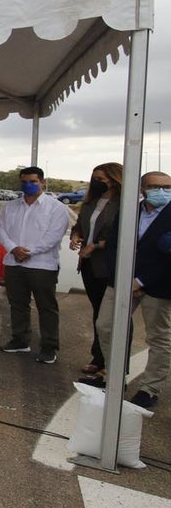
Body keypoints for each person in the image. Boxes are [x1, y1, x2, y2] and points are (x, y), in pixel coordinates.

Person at [95, 171, 171, 408]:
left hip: (158, 286)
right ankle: (116, 378)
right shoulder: (130, 211)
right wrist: (123, 277)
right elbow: (114, 245)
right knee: (105, 325)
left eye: (167, 187)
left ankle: (150, 388)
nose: (162, 192)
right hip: (121, 281)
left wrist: (141, 281)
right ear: (142, 189)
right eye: (155, 187)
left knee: (158, 337)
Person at [0, 166, 71, 364]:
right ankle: (20, 340)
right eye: (24, 182)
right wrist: (14, 249)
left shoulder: (56, 208)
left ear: (43, 182)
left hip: (42, 265)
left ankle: (49, 346)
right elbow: (1, 229)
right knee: (18, 304)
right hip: (14, 263)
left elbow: (54, 236)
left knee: (46, 307)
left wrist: (28, 252)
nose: (28, 185)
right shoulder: (11, 206)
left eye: (33, 181)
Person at [68, 163, 123, 378]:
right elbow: (80, 225)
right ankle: (98, 358)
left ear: (115, 179)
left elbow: (121, 235)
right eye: (95, 178)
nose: (99, 182)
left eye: (103, 178)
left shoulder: (123, 204)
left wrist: (96, 245)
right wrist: (75, 236)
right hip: (89, 265)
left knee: (113, 318)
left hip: (108, 265)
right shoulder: (90, 202)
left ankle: (114, 362)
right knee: (98, 313)